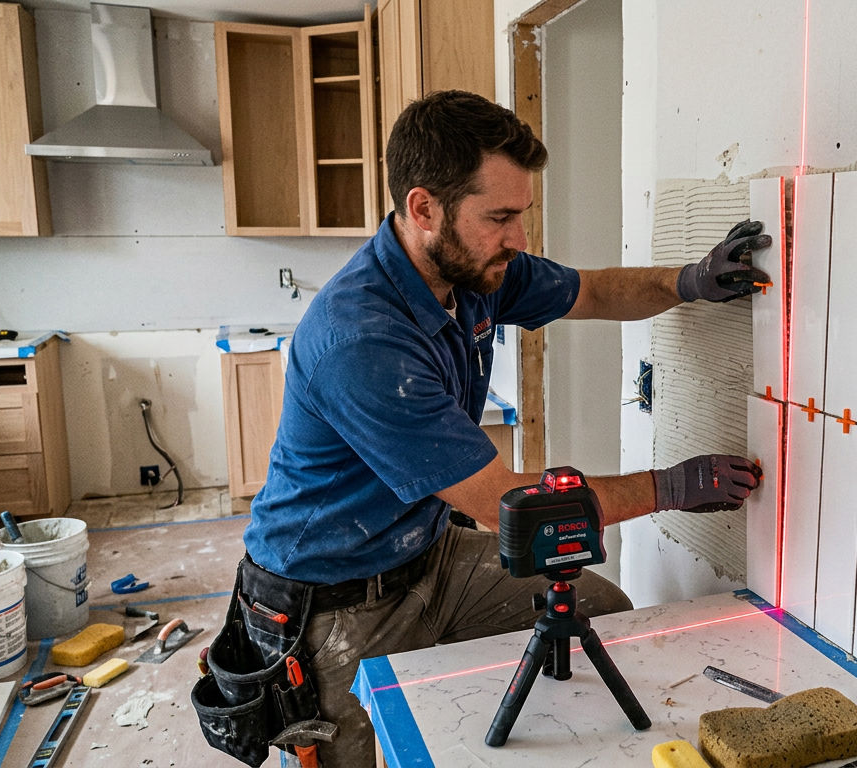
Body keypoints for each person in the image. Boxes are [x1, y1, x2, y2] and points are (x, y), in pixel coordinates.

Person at [215, 90, 769, 766]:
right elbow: (507, 506)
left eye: (521, 214)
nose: (520, 239)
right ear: (424, 209)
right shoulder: (362, 341)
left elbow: (592, 291)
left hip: (426, 555)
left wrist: (688, 281)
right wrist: (670, 487)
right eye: (500, 217)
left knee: (599, 609)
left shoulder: (473, 272)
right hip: (331, 606)